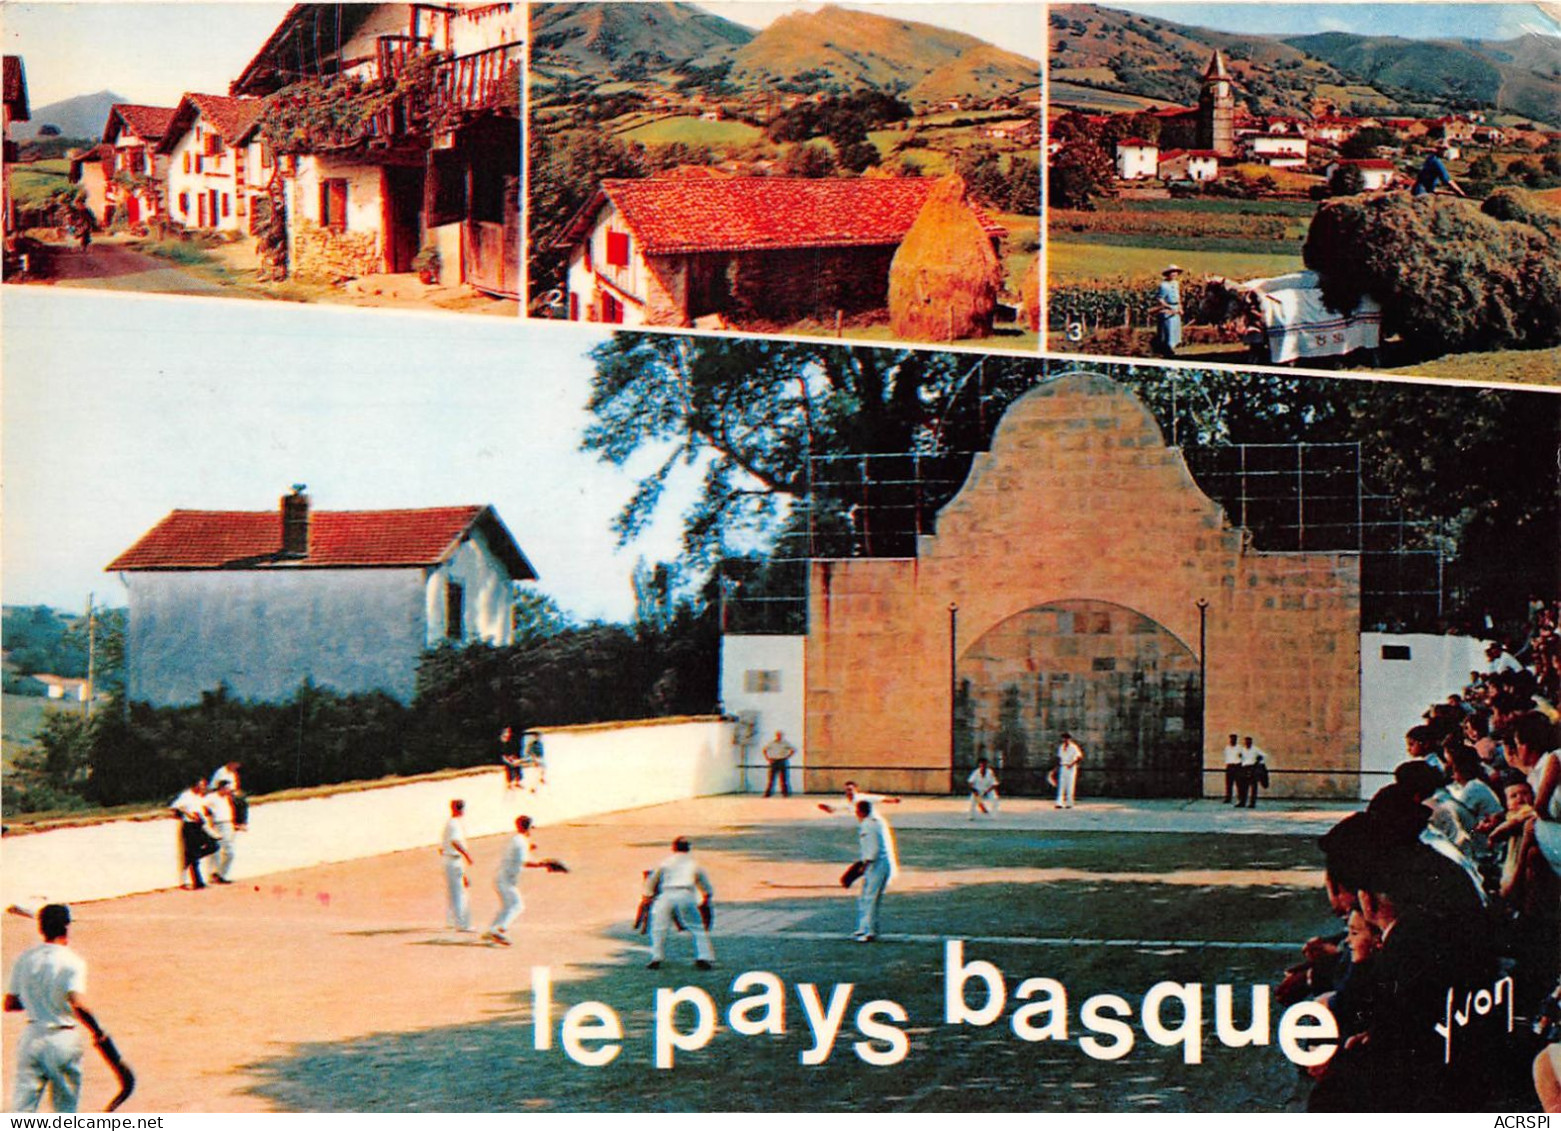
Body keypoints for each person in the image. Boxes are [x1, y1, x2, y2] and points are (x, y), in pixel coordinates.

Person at [5, 904, 109, 1113]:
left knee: (22, 1110)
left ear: (40, 929)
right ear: (66, 926)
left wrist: (38, 999)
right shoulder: (72, 961)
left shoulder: (25, 959)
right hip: (63, 1039)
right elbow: (78, 1003)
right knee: (65, 1110)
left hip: (32, 1038)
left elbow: (10, 1004)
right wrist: (98, 1031)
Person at [645, 837, 714, 969]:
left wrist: (648, 895)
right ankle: (704, 956)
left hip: (667, 894)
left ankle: (656, 957)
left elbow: (652, 879)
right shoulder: (694, 864)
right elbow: (703, 882)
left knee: (658, 927)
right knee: (697, 927)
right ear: (688, 848)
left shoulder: (666, 863)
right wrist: (707, 895)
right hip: (685, 894)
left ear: (674, 848)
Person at [483, 816, 547, 946]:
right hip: (506, 880)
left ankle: (492, 930)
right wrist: (544, 864)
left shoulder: (516, 839)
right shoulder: (521, 842)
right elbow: (526, 862)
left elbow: (518, 852)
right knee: (517, 906)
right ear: (528, 827)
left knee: (508, 907)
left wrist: (530, 847)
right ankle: (499, 930)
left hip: (502, 878)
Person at [853, 799, 897, 942]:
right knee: (866, 896)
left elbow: (873, 850)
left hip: (876, 865)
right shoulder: (878, 821)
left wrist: (863, 867)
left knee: (870, 898)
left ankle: (869, 931)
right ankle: (863, 927)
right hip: (881, 864)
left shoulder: (868, 825)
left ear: (860, 812)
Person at [170, 778, 213, 890]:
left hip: (199, 825)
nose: (204, 788)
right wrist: (188, 814)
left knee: (213, 845)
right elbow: (175, 806)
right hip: (190, 826)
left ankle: (191, 858)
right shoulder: (186, 795)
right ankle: (198, 882)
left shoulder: (200, 797)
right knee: (194, 853)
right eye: (201, 785)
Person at [441, 799, 474, 933]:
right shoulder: (454, 825)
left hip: (450, 860)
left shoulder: (451, 823)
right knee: (459, 892)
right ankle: (462, 924)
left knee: (453, 891)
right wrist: (467, 855)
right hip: (454, 860)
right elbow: (455, 842)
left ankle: (451, 920)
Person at [203, 780, 238, 884]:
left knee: (229, 851)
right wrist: (209, 822)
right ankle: (215, 874)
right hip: (217, 824)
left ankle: (221, 873)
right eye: (227, 788)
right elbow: (204, 808)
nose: (229, 790)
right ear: (221, 788)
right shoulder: (211, 798)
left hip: (228, 823)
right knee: (216, 851)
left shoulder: (228, 798)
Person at [1151, 265, 1183, 359]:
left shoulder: (1176, 284)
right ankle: (1167, 350)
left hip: (1176, 307)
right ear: (1168, 274)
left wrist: (1180, 308)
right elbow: (1160, 299)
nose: (1174, 274)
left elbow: (1178, 297)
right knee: (1168, 329)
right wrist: (1169, 307)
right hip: (1168, 309)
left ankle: (1173, 348)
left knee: (1175, 329)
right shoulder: (1164, 285)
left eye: (1175, 272)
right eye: (1172, 272)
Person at [818, 781, 901, 815]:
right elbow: (833, 810)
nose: (849, 791)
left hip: (873, 821)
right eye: (847, 790)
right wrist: (825, 808)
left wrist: (894, 800)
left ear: (856, 789)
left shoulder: (863, 797)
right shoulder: (845, 802)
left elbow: (881, 799)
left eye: (851, 789)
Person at [208, 761, 248, 828]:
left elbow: (234, 786)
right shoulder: (221, 772)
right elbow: (221, 786)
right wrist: (230, 792)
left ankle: (241, 822)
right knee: (236, 801)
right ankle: (236, 822)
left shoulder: (233, 773)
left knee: (242, 799)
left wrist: (236, 791)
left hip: (228, 791)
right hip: (218, 791)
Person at [761, 730, 796, 798]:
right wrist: (768, 758)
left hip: (781, 761)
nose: (779, 736)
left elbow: (792, 750)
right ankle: (768, 793)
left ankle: (785, 793)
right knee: (771, 778)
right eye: (778, 735)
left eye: (780, 735)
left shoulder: (785, 743)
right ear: (776, 736)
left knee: (783, 778)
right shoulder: (772, 743)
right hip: (773, 761)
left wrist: (787, 757)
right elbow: (764, 750)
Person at [1055, 732, 1084, 809]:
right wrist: (1057, 767)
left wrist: (1072, 764)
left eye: (1066, 738)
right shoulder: (1061, 747)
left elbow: (1079, 757)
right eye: (1063, 738)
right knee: (1061, 785)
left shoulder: (1073, 747)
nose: (1065, 740)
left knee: (1070, 784)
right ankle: (1059, 802)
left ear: (1069, 739)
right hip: (1063, 766)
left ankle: (1069, 802)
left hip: (1071, 767)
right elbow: (1059, 757)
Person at [1235, 736, 1264, 807]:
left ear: (1251, 742)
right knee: (1243, 786)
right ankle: (1242, 801)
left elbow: (1263, 756)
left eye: (1249, 742)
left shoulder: (1255, 749)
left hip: (1253, 767)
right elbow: (1237, 758)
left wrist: (1258, 760)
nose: (1247, 743)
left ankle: (1252, 803)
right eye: (1246, 742)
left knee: (1253, 786)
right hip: (1244, 767)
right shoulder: (1242, 750)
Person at [1222, 733, 1241, 803]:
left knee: (1239, 783)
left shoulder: (1239, 748)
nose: (1232, 740)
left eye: (1234, 739)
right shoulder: (1227, 748)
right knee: (1228, 783)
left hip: (1237, 766)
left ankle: (1240, 797)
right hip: (1229, 766)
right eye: (1231, 739)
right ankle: (1228, 798)